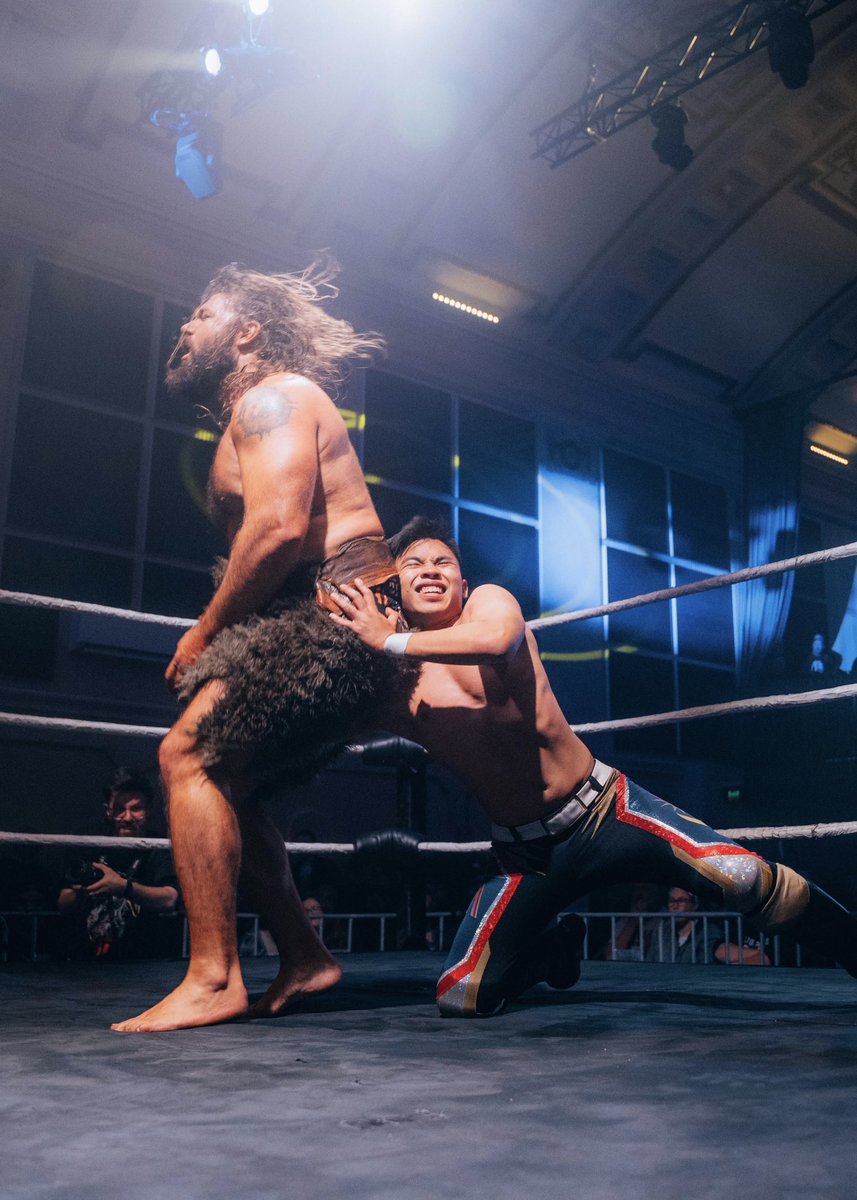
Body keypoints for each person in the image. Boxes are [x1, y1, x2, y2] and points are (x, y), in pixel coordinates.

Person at [332, 516, 857, 1016]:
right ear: (393, 592)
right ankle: (551, 950)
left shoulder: (488, 607)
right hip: (527, 854)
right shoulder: (395, 689)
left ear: (464, 584)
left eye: (443, 562)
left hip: (607, 813)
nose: (429, 569)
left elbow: (499, 641)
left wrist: (388, 640)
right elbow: (325, 728)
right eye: (415, 564)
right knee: (460, 995)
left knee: (745, 877)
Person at [111, 263, 418, 1032]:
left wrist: (207, 630)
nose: (184, 327)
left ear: (247, 332)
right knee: (230, 782)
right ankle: (305, 956)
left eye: (203, 313)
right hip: (323, 614)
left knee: (187, 757)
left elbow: (280, 529)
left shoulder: (272, 398)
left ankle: (214, 979)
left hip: (337, 618)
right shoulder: (253, 411)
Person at [58, 768, 179, 960]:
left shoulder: (160, 846)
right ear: (108, 810)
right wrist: (85, 889)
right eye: (119, 809)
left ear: (148, 810)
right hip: (83, 962)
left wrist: (123, 887)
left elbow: (170, 899)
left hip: (142, 963)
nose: (128, 818)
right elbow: (63, 902)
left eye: (136, 809)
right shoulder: (88, 842)